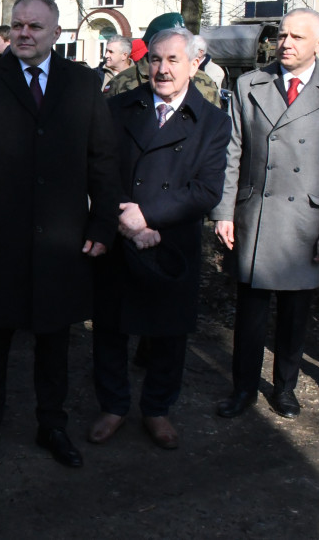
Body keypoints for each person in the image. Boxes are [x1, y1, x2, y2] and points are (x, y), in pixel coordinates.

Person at [0, 0, 119, 470]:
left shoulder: (83, 83)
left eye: (35, 27)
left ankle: (52, 425)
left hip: (63, 239)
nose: (24, 33)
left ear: (55, 33)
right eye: (18, 24)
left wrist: (104, 222)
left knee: (54, 342)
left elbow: (102, 158)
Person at [211, 8, 319, 420]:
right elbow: (233, 152)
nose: (286, 43)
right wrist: (224, 210)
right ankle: (243, 389)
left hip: (305, 222)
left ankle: (285, 388)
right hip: (256, 215)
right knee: (250, 313)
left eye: (297, 37)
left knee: (296, 316)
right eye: (282, 36)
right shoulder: (249, 84)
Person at [92, 28, 231, 450]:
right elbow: (99, 168)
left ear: (195, 64)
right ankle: (113, 405)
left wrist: (149, 217)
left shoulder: (212, 121)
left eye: (173, 60)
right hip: (120, 233)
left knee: (169, 334)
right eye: (155, 59)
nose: (163, 69)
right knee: (111, 329)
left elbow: (207, 190)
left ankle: (157, 409)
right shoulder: (117, 108)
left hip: (171, 241)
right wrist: (127, 217)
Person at [105, 13, 221, 107]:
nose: (163, 70)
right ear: (148, 44)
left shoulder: (205, 81)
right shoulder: (121, 82)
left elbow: (213, 124)